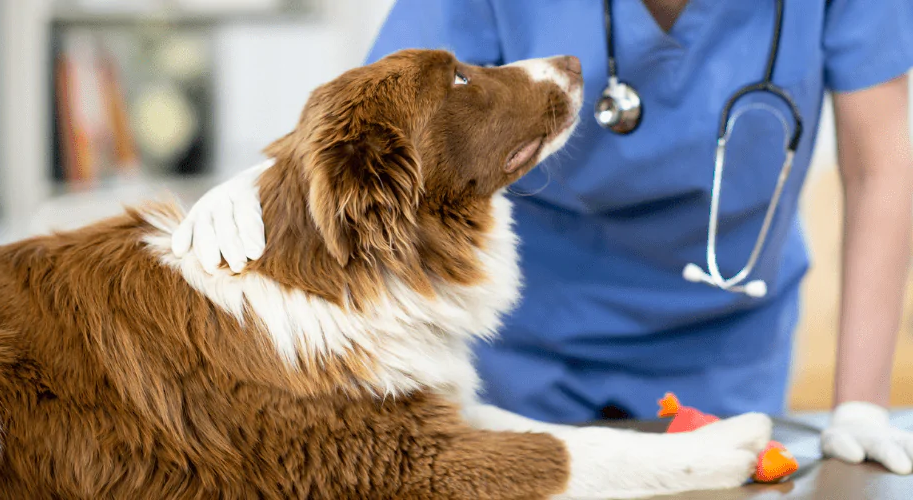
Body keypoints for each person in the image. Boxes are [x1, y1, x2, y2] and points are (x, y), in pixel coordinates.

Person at [173, 0, 913, 474]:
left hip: (724, 340)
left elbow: (882, 172)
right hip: (522, 342)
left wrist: (859, 402)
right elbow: (379, 116)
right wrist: (268, 184)